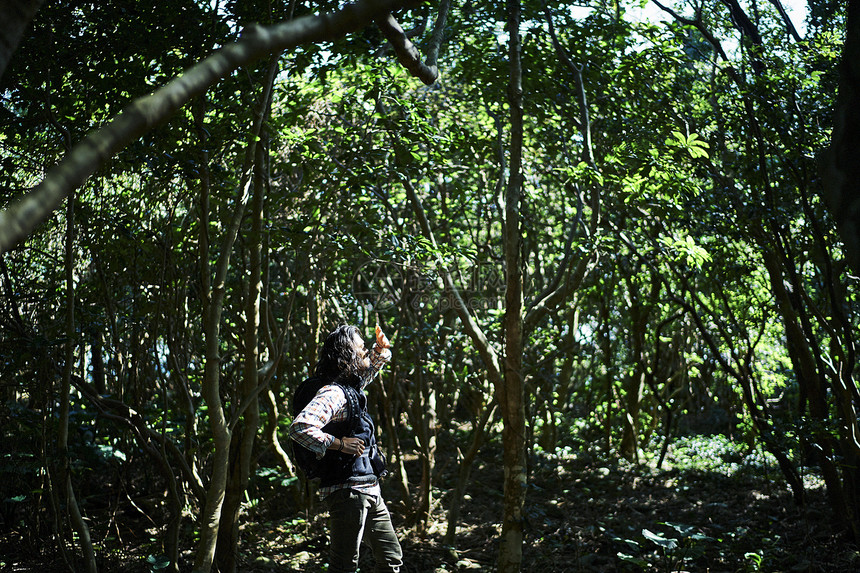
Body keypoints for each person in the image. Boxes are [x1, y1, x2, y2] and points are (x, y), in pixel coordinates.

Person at [289, 324, 403, 573]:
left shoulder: (352, 388)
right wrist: (339, 444)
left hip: (370, 488)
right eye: (361, 348)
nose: (366, 352)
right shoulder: (333, 393)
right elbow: (300, 428)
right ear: (346, 356)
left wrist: (381, 350)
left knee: (391, 559)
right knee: (344, 567)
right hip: (347, 492)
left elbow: (372, 367)